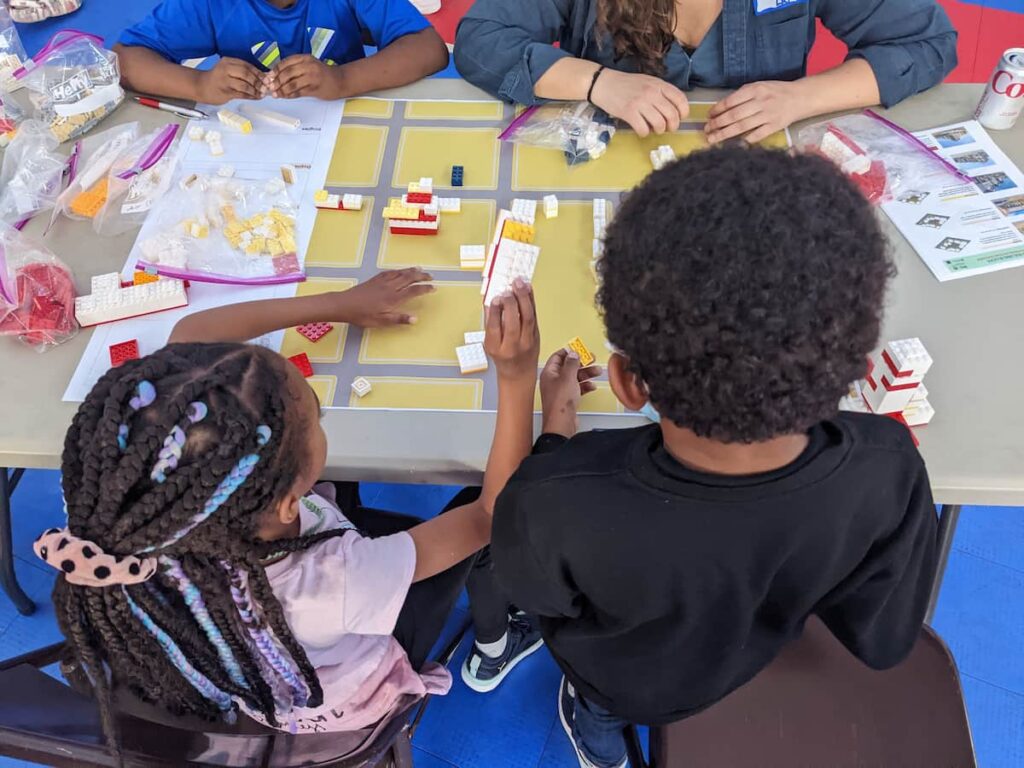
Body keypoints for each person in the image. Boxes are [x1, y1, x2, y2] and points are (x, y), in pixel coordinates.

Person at [488, 146, 939, 768]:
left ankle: (600, 746)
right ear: (851, 374)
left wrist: (545, 411)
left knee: (605, 705)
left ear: (626, 384)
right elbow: (882, 639)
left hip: (622, 680)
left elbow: (525, 582)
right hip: (747, 659)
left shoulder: (558, 496)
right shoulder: (889, 465)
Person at [35, 269, 539, 754]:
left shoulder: (119, 511)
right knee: (479, 520)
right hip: (343, 687)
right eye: (315, 416)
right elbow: (491, 514)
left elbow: (193, 333)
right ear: (288, 503)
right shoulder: (337, 578)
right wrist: (517, 378)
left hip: (234, 657)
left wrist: (338, 305)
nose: (318, 417)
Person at [454, 0, 957, 141]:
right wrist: (598, 81)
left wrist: (801, 97)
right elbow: (482, 39)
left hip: (756, 172)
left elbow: (928, 42)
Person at [114, 0, 449, 104]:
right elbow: (126, 59)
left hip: (346, 117)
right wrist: (199, 85)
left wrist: (343, 79)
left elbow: (428, 48)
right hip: (249, 137)